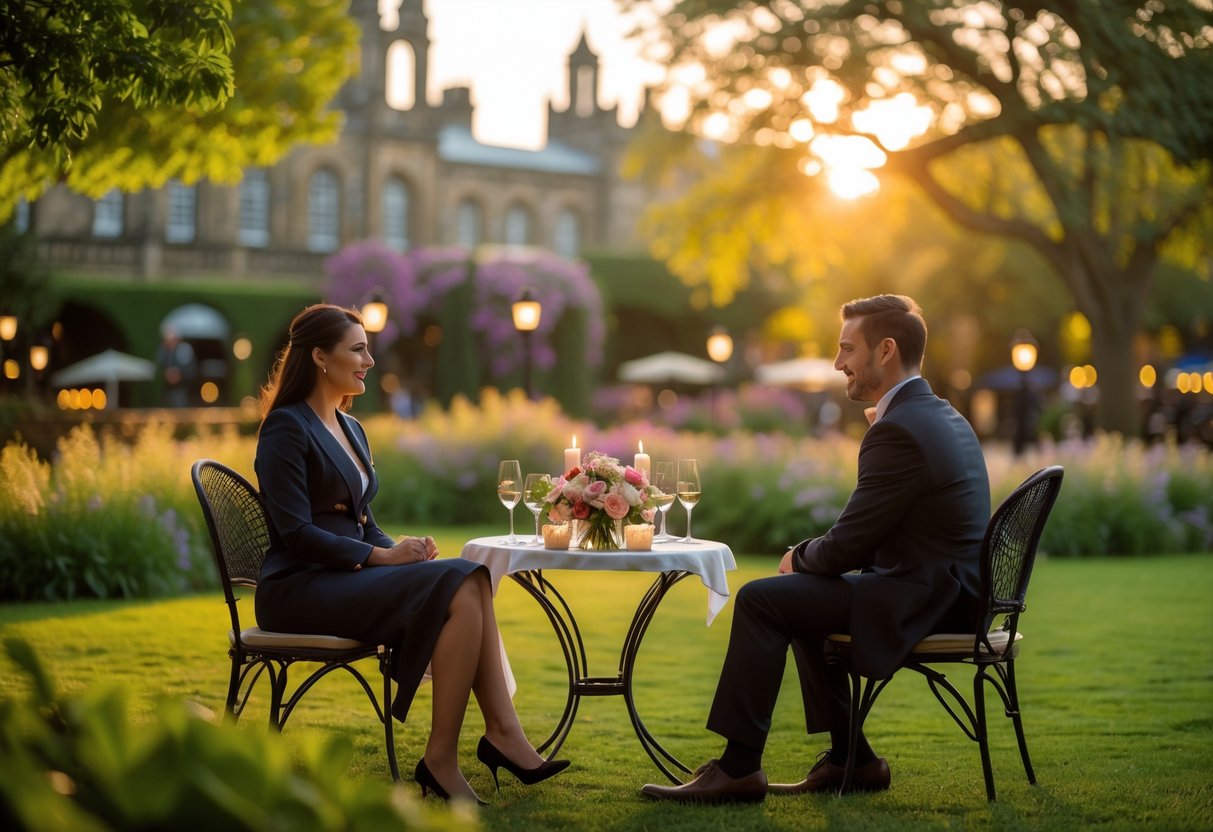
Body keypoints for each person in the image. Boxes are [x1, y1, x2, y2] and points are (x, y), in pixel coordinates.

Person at [641, 294, 990, 804]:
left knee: (765, 598)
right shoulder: (942, 416)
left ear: (886, 350)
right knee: (802, 597)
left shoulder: (901, 430)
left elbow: (848, 544)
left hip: (928, 601)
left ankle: (739, 769)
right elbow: (875, 535)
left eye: (848, 349)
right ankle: (854, 758)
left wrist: (797, 558)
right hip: (953, 593)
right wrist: (809, 565)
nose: (838, 363)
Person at [254, 303, 567, 804]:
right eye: (357, 349)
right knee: (463, 579)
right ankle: (471, 750)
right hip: (299, 586)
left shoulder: (350, 428)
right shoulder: (286, 428)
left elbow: (363, 521)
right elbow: (296, 534)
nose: (369, 361)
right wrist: (379, 559)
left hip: (345, 578)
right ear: (318, 356)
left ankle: (481, 742)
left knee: (468, 577)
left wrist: (402, 549)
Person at [156, 326, 197, 407]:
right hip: (166, 390)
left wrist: (179, 375)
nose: (170, 342)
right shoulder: (163, 352)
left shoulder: (185, 350)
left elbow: (191, 370)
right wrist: (166, 374)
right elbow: (159, 368)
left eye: (172, 340)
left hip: (181, 390)